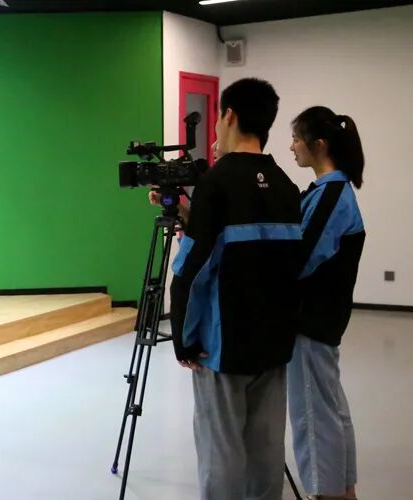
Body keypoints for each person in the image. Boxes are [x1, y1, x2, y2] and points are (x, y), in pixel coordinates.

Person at [166, 78, 303, 500]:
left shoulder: (216, 182)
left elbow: (192, 266)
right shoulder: (285, 185)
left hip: (222, 345)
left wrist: (183, 339)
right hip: (274, 342)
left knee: (221, 451)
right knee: (266, 450)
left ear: (229, 115)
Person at [288, 106, 365, 500]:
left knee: (313, 414)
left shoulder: (331, 194)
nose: (292, 147)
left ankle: (327, 493)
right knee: (330, 406)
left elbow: (300, 258)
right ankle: (344, 490)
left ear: (318, 144)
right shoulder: (328, 191)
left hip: (311, 320)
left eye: (296, 138)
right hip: (322, 318)